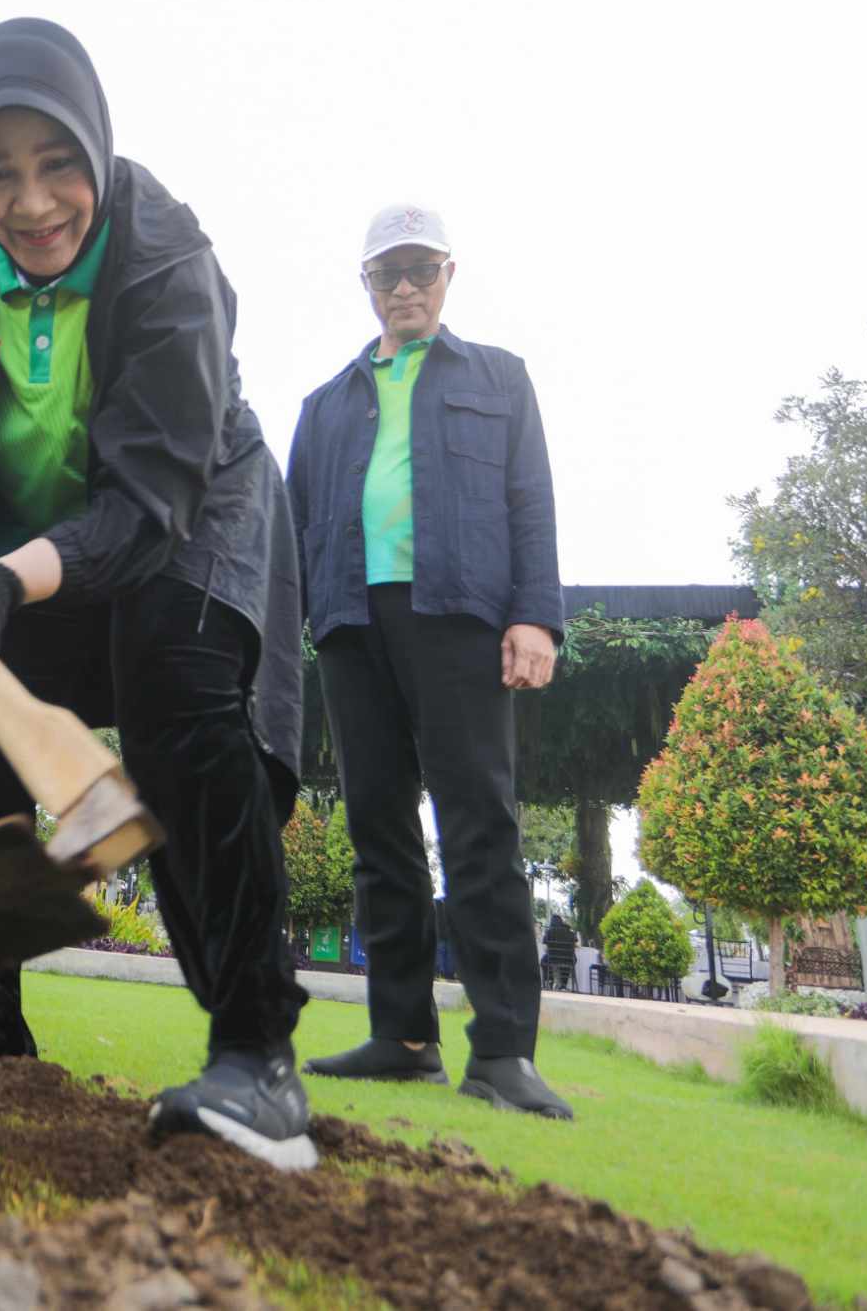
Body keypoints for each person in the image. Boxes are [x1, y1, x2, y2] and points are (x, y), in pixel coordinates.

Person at [0, 18, 316, 1169]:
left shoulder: (168, 262)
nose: (31, 204)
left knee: (175, 688)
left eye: (55, 165)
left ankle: (257, 1061)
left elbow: (145, 505)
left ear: (96, 147)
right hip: (21, 528)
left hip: (185, 515)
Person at [285, 204, 572, 1120]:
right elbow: (294, 525)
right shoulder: (324, 405)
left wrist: (536, 616)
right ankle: (403, 1037)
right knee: (377, 825)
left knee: (479, 820)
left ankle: (503, 1050)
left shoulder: (499, 377)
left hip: (458, 615)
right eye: (387, 273)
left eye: (420, 269)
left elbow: (530, 501)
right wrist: (286, 631)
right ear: (365, 284)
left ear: (450, 273)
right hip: (349, 621)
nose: (404, 287)